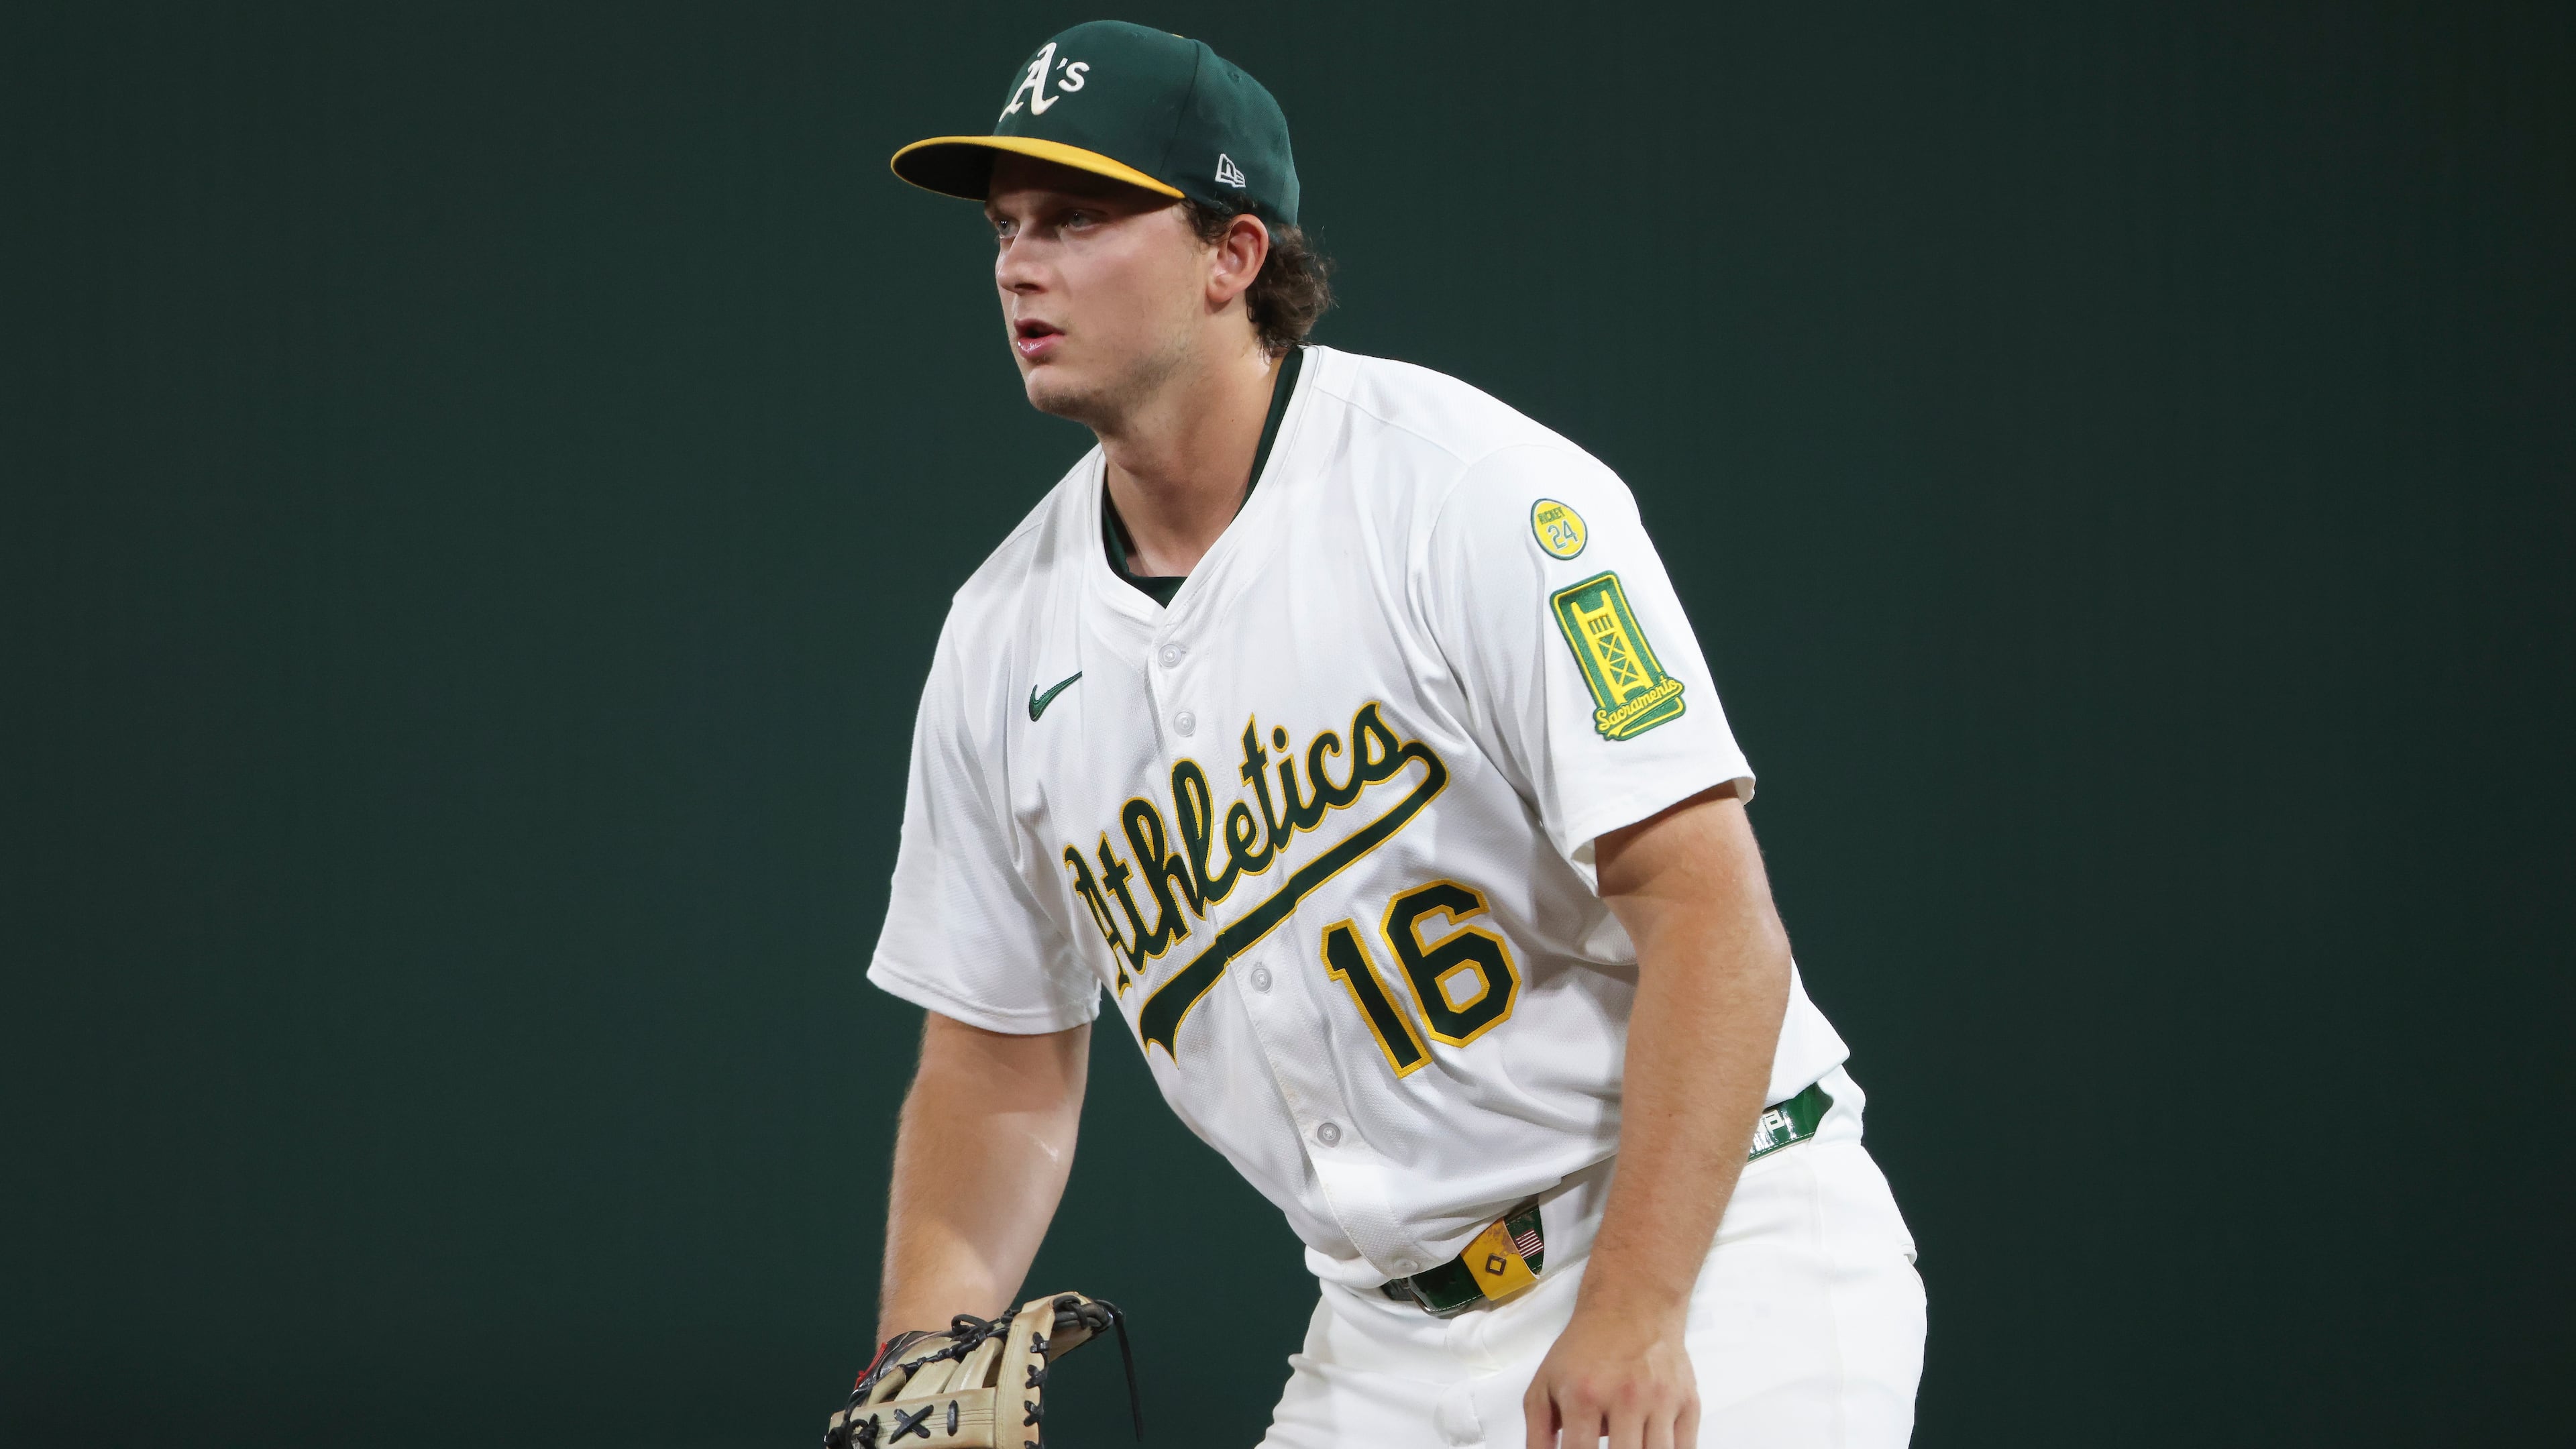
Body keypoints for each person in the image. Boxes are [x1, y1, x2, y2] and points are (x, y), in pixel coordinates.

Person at [864, 21, 1925, 1448]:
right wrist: (920, 1355)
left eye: (1080, 217)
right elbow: (998, 1057)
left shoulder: (1470, 496)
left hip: (1717, 1245)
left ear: (1233, 254)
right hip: (1383, 1339)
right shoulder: (999, 637)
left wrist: (1635, 1311)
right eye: (1006, 227)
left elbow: (1712, 917)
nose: (1018, 263)